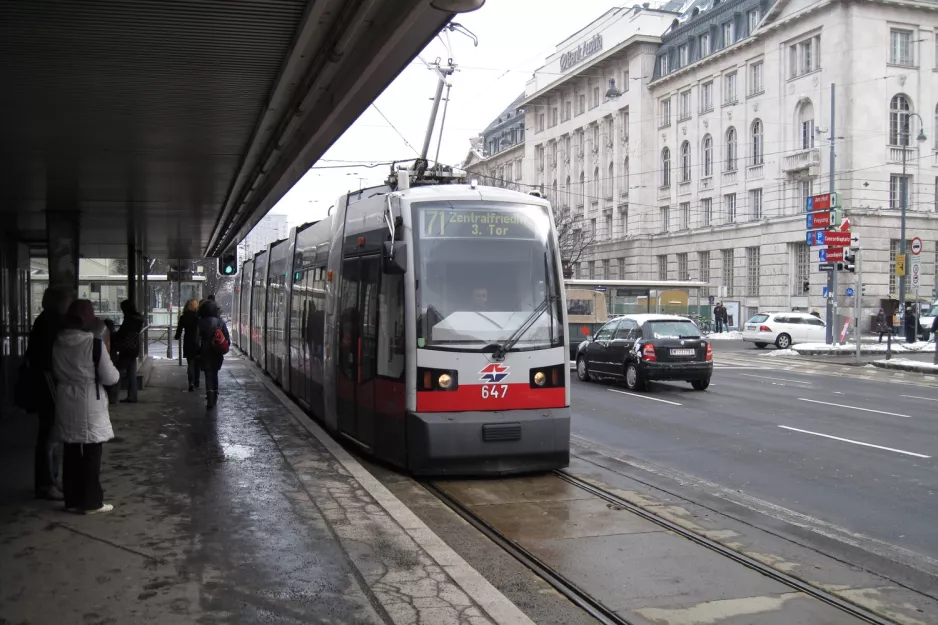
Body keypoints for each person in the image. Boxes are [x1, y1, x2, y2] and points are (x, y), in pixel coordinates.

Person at [51, 300, 120, 514]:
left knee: (71, 451)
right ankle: (91, 502)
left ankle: (72, 499)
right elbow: (110, 377)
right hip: (89, 400)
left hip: (65, 399)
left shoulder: (57, 342)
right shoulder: (94, 343)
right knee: (92, 452)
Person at [25, 286, 74, 500]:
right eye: (66, 299)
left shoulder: (45, 320)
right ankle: (46, 482)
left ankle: (51, 479)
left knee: (50, 434)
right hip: (48, 383)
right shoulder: (50, 323)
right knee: (49, 435)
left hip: (45, 382)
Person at [198, 299, 230, 408]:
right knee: (215, 373)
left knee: (208, 374)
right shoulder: (220, 322)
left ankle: (210, 396)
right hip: (217, 352)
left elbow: (196, 339)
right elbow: (227, 338)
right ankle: (215, 395)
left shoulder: (200, 322)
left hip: (205, 352)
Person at [113, 300, 145, 403]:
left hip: (126, 349)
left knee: (117, 371)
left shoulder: (129, 319)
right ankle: (132, 396)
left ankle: (113, 397)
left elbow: (122, 332)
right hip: (134, 348)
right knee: (132, 373)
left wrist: (114, 337)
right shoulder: (138, 319)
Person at [175, 299, 202, 391]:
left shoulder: (183, 317)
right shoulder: (198, 316)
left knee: (190, 363)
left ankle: (191, 383)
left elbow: (179, 330)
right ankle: (197, 381)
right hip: (198, 342)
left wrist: (177, 336)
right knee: (197, 364)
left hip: (188, 342)